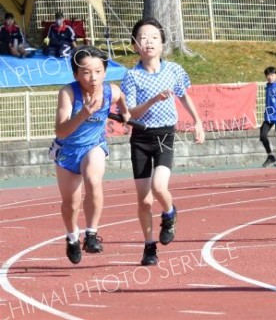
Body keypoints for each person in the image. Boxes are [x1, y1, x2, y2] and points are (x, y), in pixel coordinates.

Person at [121, 17, 205, 266]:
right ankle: (149, 247)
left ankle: (169, 212)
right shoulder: (131, 76)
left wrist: (197, 122)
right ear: (135, 45)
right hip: (140, 138)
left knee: (159, 187)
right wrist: (153, 100)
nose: (149, 42)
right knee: (144, 200)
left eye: (154, 37)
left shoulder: (175, 70)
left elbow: (184, 96)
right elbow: (131, 113)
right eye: (143, 38)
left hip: (165, 135)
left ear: (162, 44)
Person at [50, 46, 131, 264]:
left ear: (105, 72)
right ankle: (72, 237)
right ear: (76, 74)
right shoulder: (68, 93)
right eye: (86, 72)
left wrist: (124, 113)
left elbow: (120, 96)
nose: (93, 77)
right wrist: (84, 113)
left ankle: (92, 234)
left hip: (93, 145)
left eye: (98, 71)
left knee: (93, 180)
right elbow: (61, 130)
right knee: (71, 203)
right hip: (67, 151)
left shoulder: (109, 91)